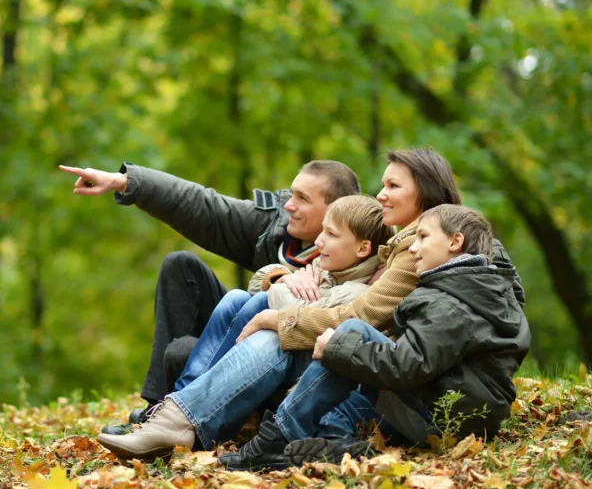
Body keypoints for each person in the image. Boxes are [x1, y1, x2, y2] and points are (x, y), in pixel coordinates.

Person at [93, 148, 474, 462]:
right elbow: (209, 208)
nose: (381, 194)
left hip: (372, 374)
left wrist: (279, 318)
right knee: (230, 297)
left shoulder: (414, 242)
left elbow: (361, 314)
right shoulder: (395, 239)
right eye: (383, 184)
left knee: (268, 329)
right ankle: (172, 415)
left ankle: (181, 421)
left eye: (393, 186)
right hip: (353, 356)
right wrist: (277, 277)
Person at [58, 160, 361, 435]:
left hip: (287, 364)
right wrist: (125, 182)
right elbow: (204, 206)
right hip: (243, 338)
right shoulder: (274, 227)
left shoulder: (360, 249)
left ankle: (190, 414)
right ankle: (158, 409)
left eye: (303, 199)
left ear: (336, 210)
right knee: (182, 268)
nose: (289, 205)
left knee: (189, 348)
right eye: (292, 194)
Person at [276, 204, 531, 469]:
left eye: (423, 237)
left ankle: (279, 436)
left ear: (455, 241)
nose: (412, 248)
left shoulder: (450, 303)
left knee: (353, 332)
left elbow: (406, 365)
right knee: (343, 393)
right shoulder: (472, 289)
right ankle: (337, 442)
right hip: (454, 412)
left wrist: (337, 347)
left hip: (445, 421)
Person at [170, 195, 393, 394]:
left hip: (297, 363)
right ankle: (184, 392)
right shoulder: (328, 269)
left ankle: (189, 397)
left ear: (362, 249)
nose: (318, 241)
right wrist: (281, 276)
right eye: (322, 230)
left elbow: (298, 317)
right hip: (277, 353)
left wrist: (279, 287)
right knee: (236, 297)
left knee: (261, 302)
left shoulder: (357, 292)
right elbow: (254, 286)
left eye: (331, 234)